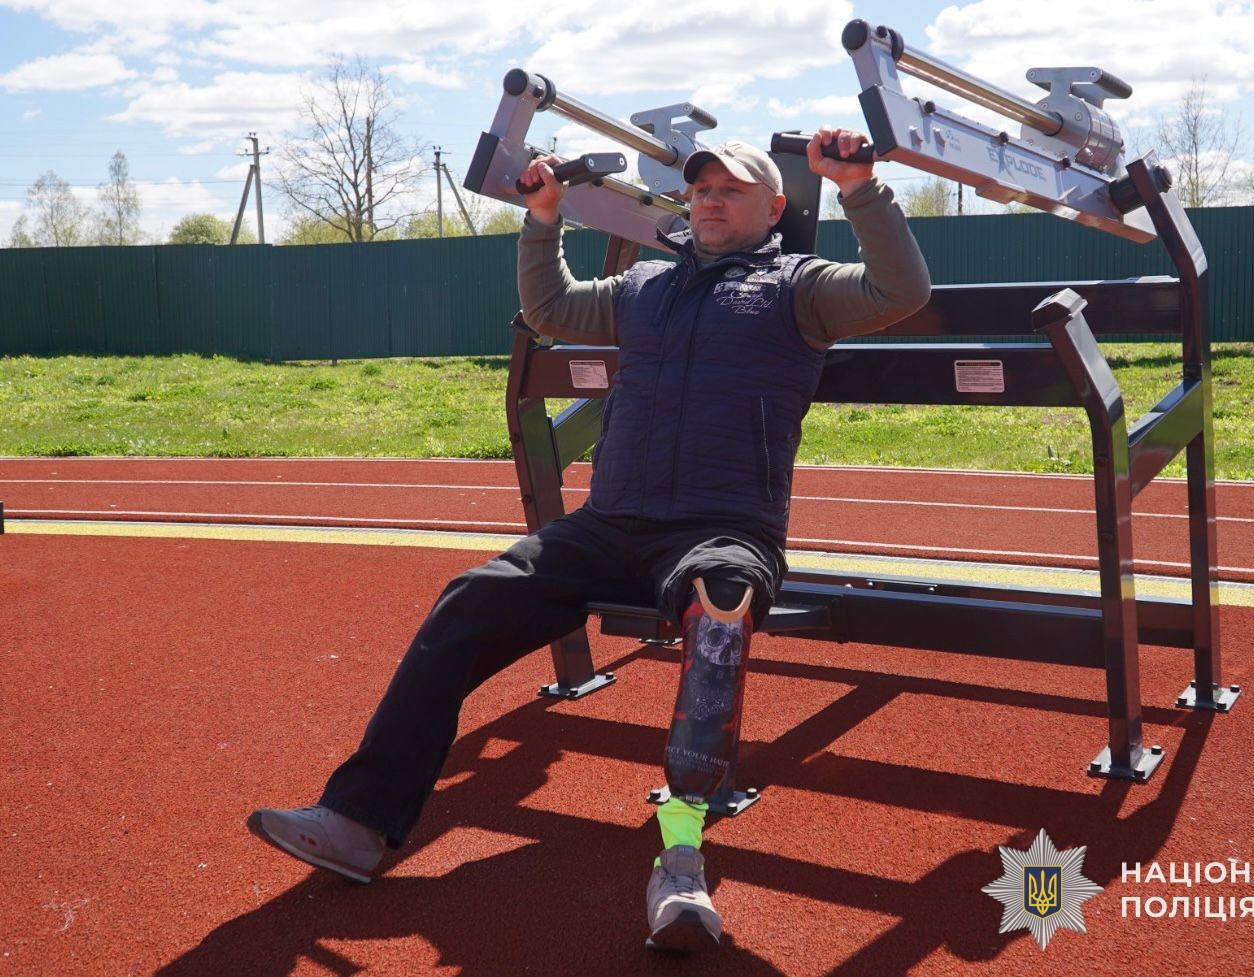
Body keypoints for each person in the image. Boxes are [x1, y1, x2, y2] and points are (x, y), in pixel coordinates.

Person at [247, 126, 931, 952]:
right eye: (701, 190)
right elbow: (552, 309)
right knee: (471, 597)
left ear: (774, 206)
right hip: (610, 526)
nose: (711, 201)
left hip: (721, 530)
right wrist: (543, 218)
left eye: (730, 190)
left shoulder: (800, 287)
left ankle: (680, 862)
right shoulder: (644, 287)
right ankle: (360, 822)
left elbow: (899, 289)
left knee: (720, 614)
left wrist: (860, 186)